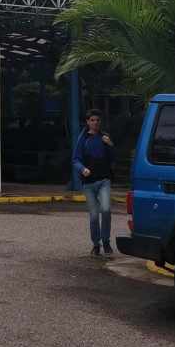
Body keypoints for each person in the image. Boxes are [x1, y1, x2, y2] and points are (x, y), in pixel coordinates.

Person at [72, 109, 115, 257]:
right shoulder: (83, 138)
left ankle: (106, 242)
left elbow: (113, 158)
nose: (95, 122)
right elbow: (75, 159)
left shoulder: (105, 137)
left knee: (106, 210)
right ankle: (96, 245)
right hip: (89, 183)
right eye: (92, 120)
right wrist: (82, 169)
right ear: (87, 122)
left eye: (97, 120)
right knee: (94, 215)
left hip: (104, 180)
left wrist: (110, 145)